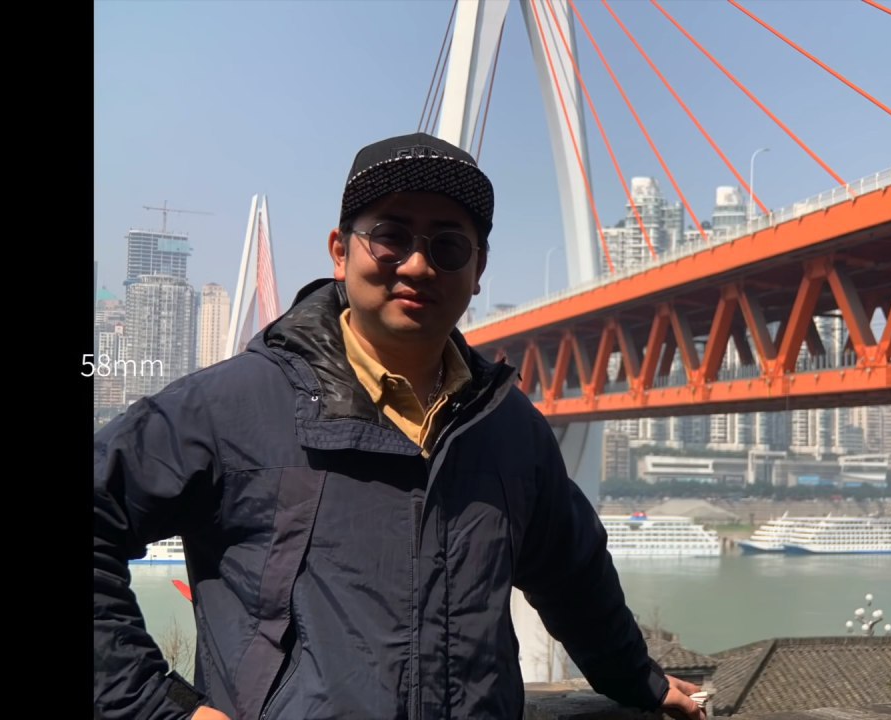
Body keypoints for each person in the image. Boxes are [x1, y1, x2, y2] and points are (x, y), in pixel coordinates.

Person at [93, 132, 708, 720]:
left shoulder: (509, 429)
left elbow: (573, 574)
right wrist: (154, 705)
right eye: (390, 237)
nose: (417, 266)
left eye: (449, 246)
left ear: (479, 268)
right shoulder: (235, 404)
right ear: (340, 251)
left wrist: (641, 680)